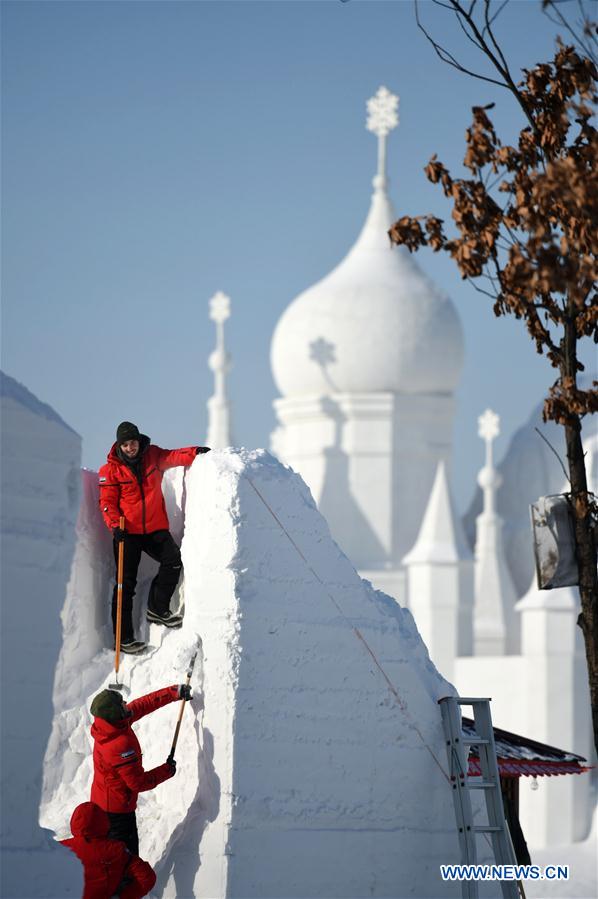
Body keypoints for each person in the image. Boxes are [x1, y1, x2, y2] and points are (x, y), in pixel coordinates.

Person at [99, 421, 210, 653]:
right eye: (126, 444)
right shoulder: (110, 471)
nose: (131, 448)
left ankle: (158, 608)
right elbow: (107, 502)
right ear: (119, 446)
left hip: (153, 528)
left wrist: (196, 453)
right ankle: (124, 638)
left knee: (173, 560)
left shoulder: (152, 455)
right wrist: (114, 526)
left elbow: (173, 457)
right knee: (124, 585)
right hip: (126, 532)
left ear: (139, 441)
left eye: (134, 443)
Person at [89, 684, 192, 855]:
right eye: (122, 703)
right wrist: (166, 771)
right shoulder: (119, 745)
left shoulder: (108, 726)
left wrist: (173, 692)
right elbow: (137, 783)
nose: (126, 704)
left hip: (101, 800)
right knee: (124, 862)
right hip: (116, 813)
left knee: (110, 857)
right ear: (115, 713)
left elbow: (142, 705)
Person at [61, 801, 155, 899]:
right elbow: (147, 877)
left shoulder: (59, 848)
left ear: (74, 822)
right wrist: (123, 897)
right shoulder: (116, 850)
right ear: (104, 822)